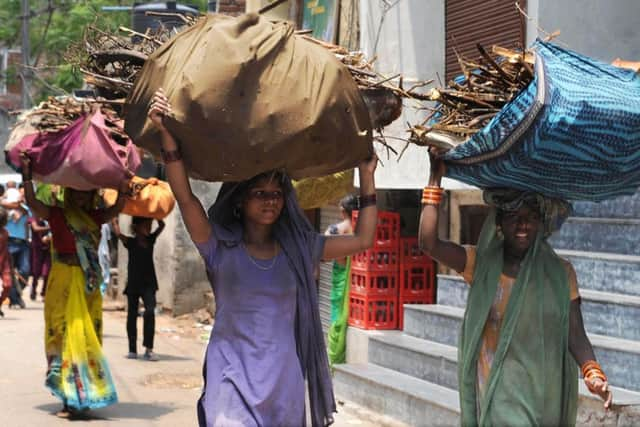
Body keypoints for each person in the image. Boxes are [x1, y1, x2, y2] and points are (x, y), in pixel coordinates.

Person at [148, 88, 378, 426]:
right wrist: (167, 134)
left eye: (276, 194)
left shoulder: (299, 249)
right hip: (231, 374)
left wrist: (368, 177)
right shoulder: (218, 246)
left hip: (283, 379)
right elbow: (185, 198)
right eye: (259, 194)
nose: (270, 201)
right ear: (240, 201)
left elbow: (363, 239)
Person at [418, 151, 613, 426]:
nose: (522, 225)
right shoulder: (480, 264)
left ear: (540, 223)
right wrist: (435, 178)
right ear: (499, 223)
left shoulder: (560, 273)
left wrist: (593, 373)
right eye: (513, 217)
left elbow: (575, 333)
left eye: (530, 217)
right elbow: (428, 243)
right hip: (498, 391)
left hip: (542, 395)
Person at [20, 153, 128, 418]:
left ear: (92, 196)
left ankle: (84, 396)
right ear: (68, 194)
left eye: (86, 193)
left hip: (87, 281)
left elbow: (116, 209)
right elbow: (32, 202)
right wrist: (27, 174)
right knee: (62, 334)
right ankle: (68, 398)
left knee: (85, 336)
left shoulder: (96, 216)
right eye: (75, 192)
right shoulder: (56, 214)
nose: (80, 198)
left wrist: (124, 186)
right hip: (62, 281)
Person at [113, 216, 165, 361]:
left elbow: (162, 225)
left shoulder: (151, 240)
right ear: (136, 228)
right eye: (146, 225)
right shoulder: (131, 242)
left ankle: (149, 348)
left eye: (149, 225)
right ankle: (132, 349)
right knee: (132, 315)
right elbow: (118, 235)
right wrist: (114, 221)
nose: (148, 228)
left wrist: (154, 214)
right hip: (134, 284)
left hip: (149, 284)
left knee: (150, 311)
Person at [324, 194, 358, 366]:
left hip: (340, 274)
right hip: (356, 279)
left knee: (337, 314)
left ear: (343, 211)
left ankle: (335, 354)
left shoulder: (335, 230)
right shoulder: (361, 230)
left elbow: (323, 254)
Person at [1, 186, 30, 309]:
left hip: (23, 242)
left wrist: (18, 205)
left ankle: (15, 294)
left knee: (25, 270)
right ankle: (15, 299)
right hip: (10, 242)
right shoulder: (3, 209)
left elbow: (26, 211)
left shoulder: (25, 208)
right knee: (9, 277)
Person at [29, 217, 51, 300]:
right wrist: (50, 227)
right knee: (36, 272)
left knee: (47, 272)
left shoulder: (50, 218)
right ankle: (33, 289)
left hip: (49, 249)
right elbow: (35, 228)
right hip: (37, 249)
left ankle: (44, 292)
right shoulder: (34, 218)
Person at [0, 208, 13, 318]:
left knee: (7, 285)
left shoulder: (5, 233)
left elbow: (6, 249)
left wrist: (11, 265)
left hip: (4, 264)